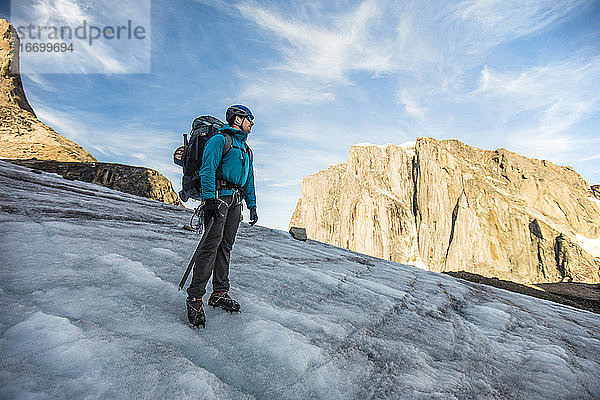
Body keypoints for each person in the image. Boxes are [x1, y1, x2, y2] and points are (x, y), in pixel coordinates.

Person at [186, 105, 258, 328]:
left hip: (235, 201)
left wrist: (252, 204)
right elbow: (208, 169)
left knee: (225, 246)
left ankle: (219, 293)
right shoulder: (220, 140)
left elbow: (249, 179)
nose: (252, 123)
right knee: (210, 246)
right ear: (237, 119)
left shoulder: (246, 149)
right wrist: (208, 200)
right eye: (249, 119)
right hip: (219, 198)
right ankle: (195, 297)